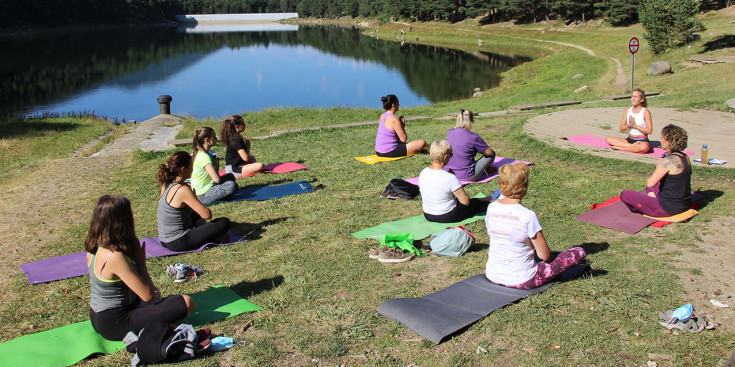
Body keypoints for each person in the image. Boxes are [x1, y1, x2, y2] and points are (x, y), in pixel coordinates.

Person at [85, 195, 195, 341]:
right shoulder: (114, 257)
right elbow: (150, 296)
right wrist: (141, 263)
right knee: (186, 302)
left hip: (97, 316)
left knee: (164, 305)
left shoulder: (94, 247)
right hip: (116, 323)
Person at [485, 163, 586, 289]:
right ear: (524, 187)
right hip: (523, 279)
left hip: (492, 274)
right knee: (578, 252)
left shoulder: (491, 207)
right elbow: (544, 256)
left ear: (501, 185)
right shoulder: (527, 216)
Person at [157, 151, 232, 252]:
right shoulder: (182, 190)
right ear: (183, 169)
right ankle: (210, 237)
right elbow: (206, 214)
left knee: (195, 215)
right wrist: (194, 197)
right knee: (224, 222)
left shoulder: (166, 184)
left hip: (164, 239)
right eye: (191, 166)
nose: (193, 169)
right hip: (178, 241)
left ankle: (208, 236)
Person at [620, 124, 692, 217]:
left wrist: (658, 168)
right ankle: (652, 199)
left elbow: (650, 183)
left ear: (668, 141)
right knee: (654, 188)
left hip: (668, 208)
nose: (660, 140)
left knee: (625, 194)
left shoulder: (669, 161)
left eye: (662, 138)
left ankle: (648, 206)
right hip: (684, 204)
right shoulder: (686, 157)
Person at [419, 140, 489, 223]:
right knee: (475, 203)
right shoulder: (449, 178)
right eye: (451, 155)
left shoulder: (423, 172)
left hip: (428, 214)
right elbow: (465, 201)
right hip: (446, 215)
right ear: (445, 157)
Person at [191, 127, 238, 206]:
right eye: (214, 137)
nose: (216, 139)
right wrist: (216, 165)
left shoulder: (204, 153)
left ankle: (221, 195)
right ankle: (219, 196)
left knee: (230, 176)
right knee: (232, 186)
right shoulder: (204, 157)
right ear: (207, 140)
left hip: (208, 186)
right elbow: (217, 179)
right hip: (202, 195)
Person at [445, 109, 496, 180]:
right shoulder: (473, 137)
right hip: (466, 176)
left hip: (448, 173)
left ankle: (484, 169)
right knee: (492, 154)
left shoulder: (450, 132)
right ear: (471, 121)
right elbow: (489, 152)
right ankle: (485, 169)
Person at [605, 88, 653, 153]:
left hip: (641, 141)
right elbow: (621, 128)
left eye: (635, 97)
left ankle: (621, 148)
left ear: (642, 99)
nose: (633, 99)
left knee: (645, 147)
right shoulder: (627, 111)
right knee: (609, 139)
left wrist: (635, 126)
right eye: (632, 96)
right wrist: (629, 125)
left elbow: (649, 131)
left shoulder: (645, 112)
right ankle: (631, 147)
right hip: (629, 140)